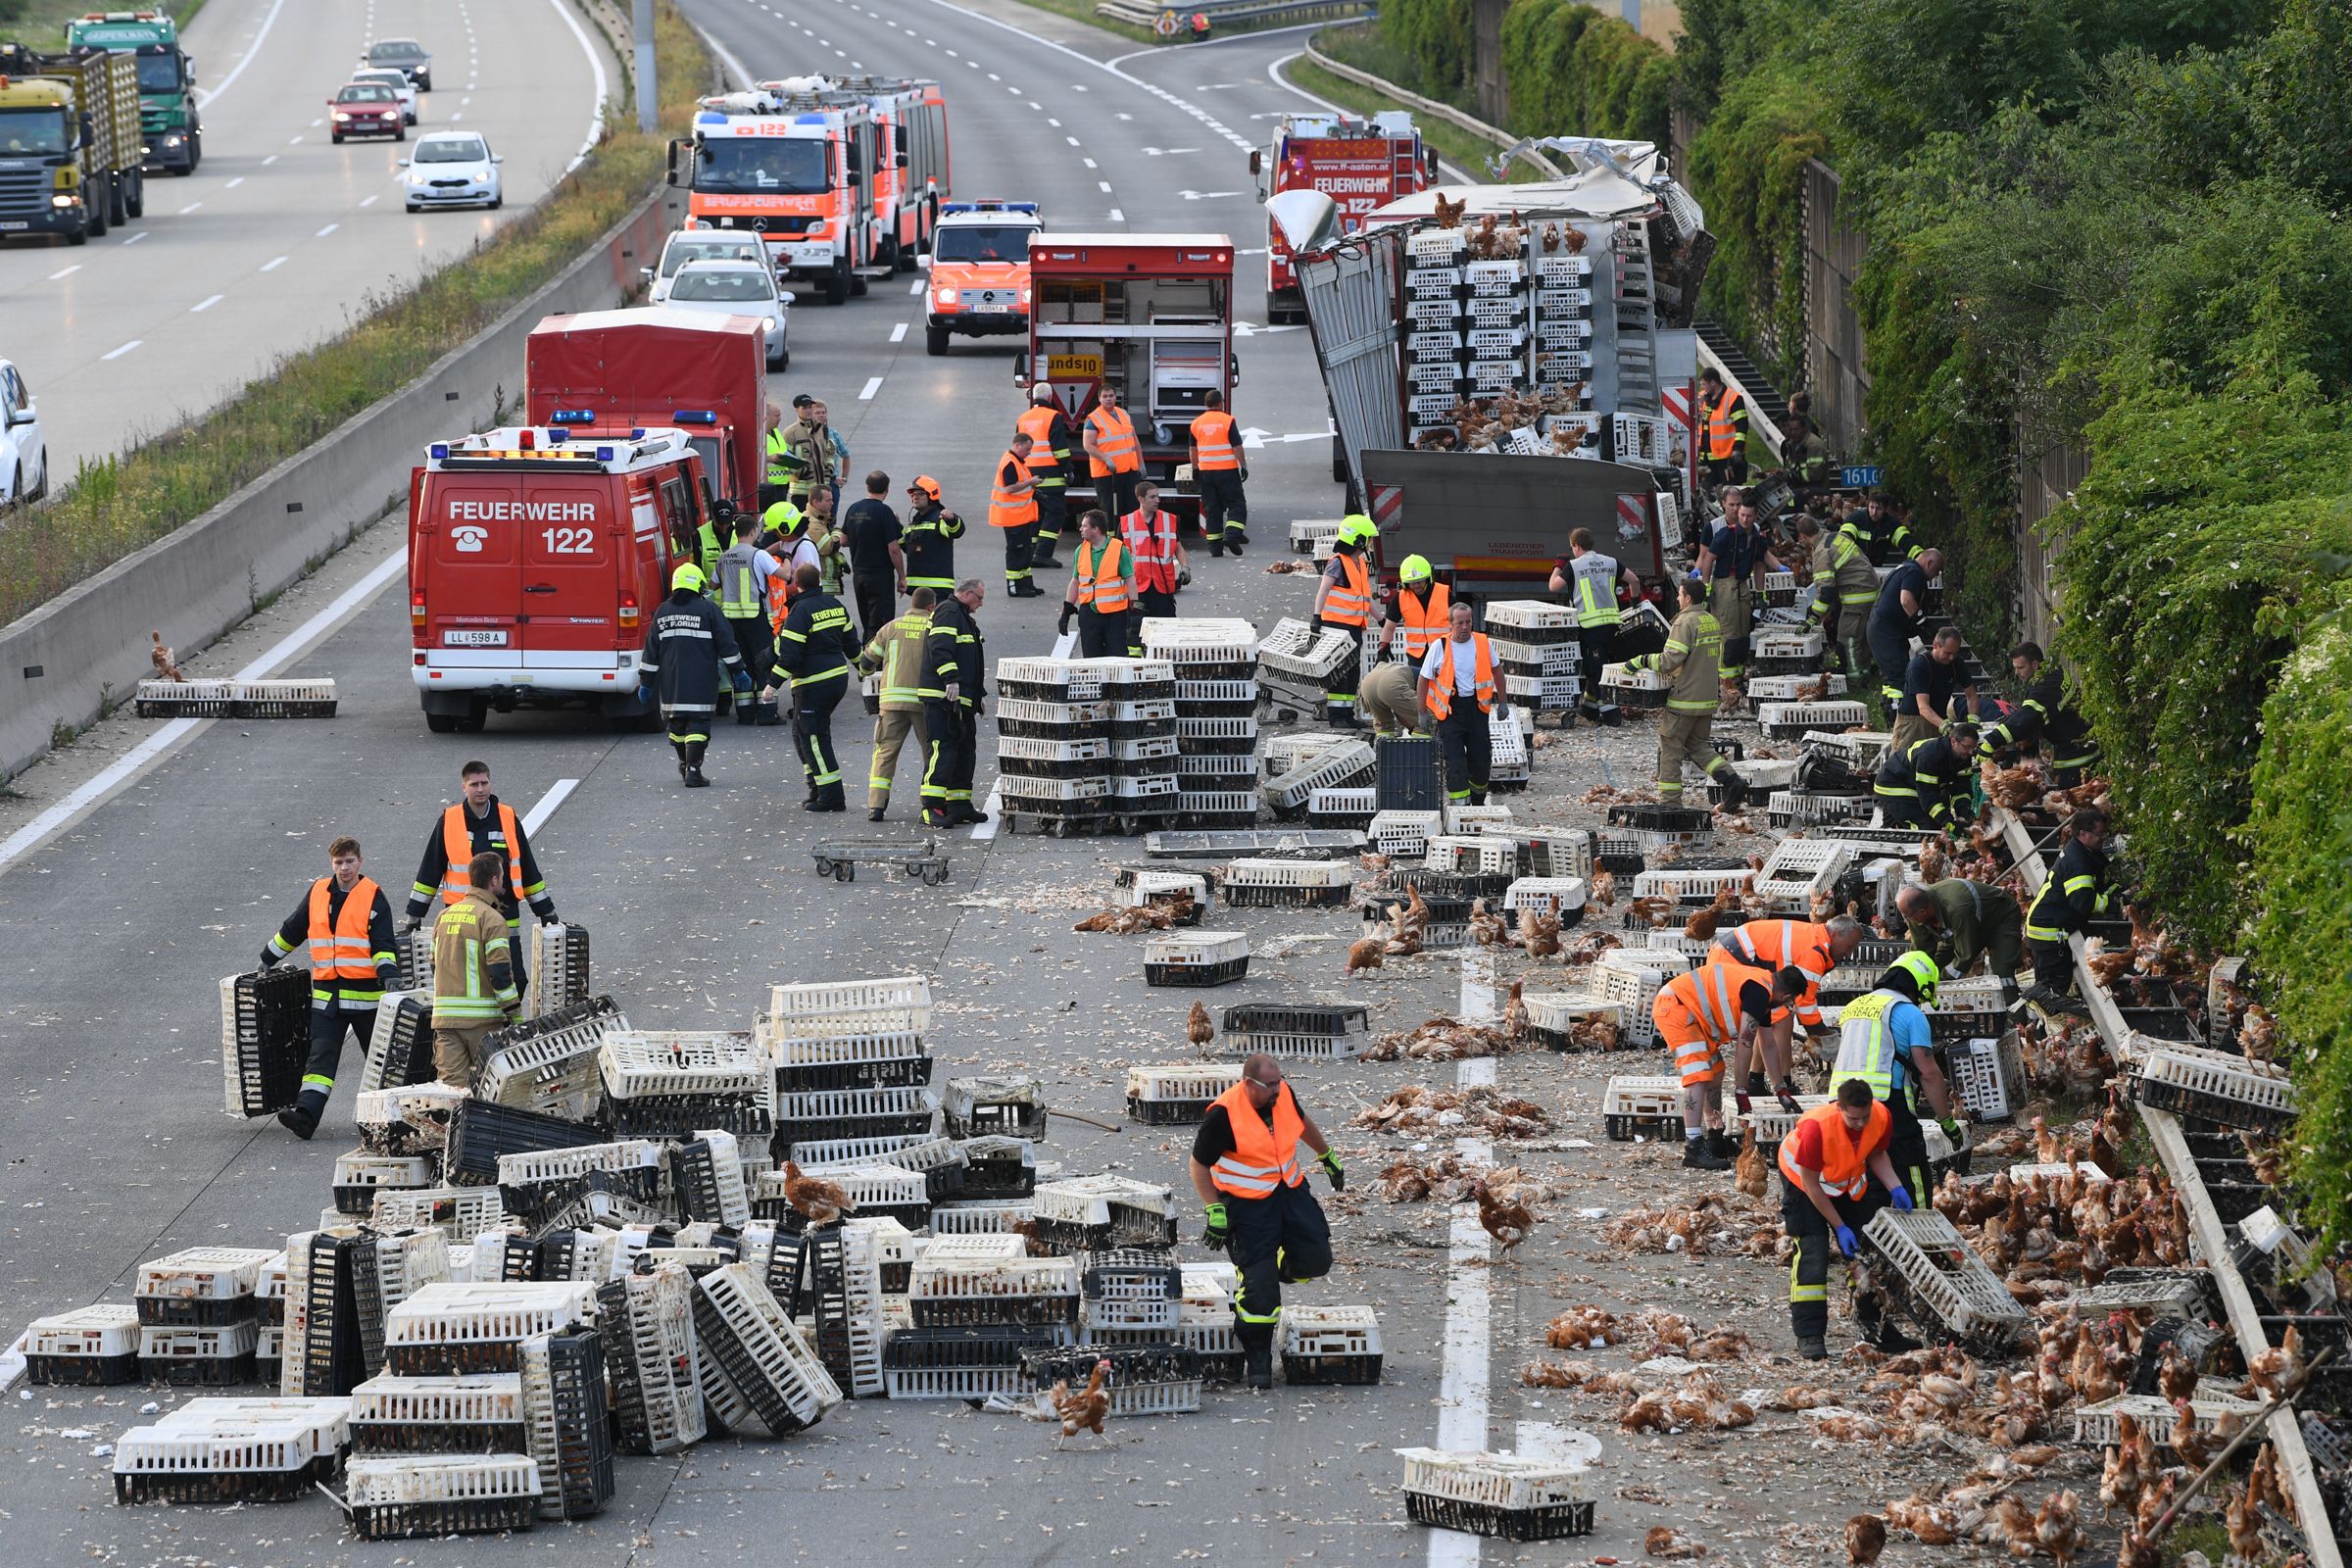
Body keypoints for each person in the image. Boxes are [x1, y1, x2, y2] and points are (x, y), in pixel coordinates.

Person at [1190, 1054, 1343, 1391]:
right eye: (1270, 1084)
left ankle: (1276, 1269)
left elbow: (1301, 1123)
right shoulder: (1223, 1115)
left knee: (1317, 1259)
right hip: (1246, 1207)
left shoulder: (1283, 1093)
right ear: (1249, 1084)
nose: (1278, 1088)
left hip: (1289, 1192)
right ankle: (1258, 1355)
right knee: (1260, 1295)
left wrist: (1325, 1155)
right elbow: (1198, 1166)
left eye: (1279, 1081)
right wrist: (1214, 1210)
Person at [261, 835, 400, 1140]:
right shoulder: (318, 892)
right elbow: (294, 929)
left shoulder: (373, 896)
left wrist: (389, 974)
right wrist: (267, 958)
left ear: (360, 861)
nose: (345, 867)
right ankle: (305, 1116)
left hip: (365, 1000)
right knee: (319, 1058)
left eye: (350, 861)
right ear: (331, 863)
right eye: (339, 863)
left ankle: (398, 1119)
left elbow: (383, 944)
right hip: (328, 998)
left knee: (380, 1061)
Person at [403, 758, 558, 1002]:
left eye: (484, 783)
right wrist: (415, 913)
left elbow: (526, 866)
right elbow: (430, 870)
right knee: (470, 978)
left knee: (514, 977)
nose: (480, 789)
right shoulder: (449, 820)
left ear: (490, 784)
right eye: (474, 784)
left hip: (504, 912)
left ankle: (505, 1023)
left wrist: (545, 910)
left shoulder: (507, 817)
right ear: (464, 787)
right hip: (461, 914)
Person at [1778, 1079, 1911, 1360]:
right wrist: (1839, 1226)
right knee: (1814, 1250)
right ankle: (1810, 1334)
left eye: (1865, 1117)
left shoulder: (1881, 1116)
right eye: (1854, 1118)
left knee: (1865, 1252)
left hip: (1844, 1183)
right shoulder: (1817, 1128)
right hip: (1802, 1184)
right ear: (1839, 1108)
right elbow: (1812, 1185)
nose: (1861, 1124)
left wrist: (1895, 1187)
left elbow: (1876, 1152)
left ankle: (1876, 1328)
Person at [1829, 952, 1958, 1212]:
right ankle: (1922, 1232)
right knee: (1912, 1170)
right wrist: (1946, 1120)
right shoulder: (1909, 1013)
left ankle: (1873, 1234)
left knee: (1867, 1170)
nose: (1920, 1003)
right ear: (1920, 987)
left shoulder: (1855, 1005)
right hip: (1887, 1102)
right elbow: (1929, 1073)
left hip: (1840, 1102)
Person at [1651, 958, 1811, 1169]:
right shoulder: (1758, 992)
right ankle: (1693, 1147)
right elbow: (1745, 1043)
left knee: (1716, 1071)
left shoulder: (1763, 987)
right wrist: (1741, 1089)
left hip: (1689, 1012)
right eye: (1788, 1003)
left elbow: (1768, 1045)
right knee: (1697, 1074)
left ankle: (1714, 1138)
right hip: (1677, 1008)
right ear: (1787, 996)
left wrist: (1781, 1090)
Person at [1621, 576, 1749, 807]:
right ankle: (1732, 781)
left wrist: (1641, 661)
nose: (1678, 599)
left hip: (1684, 700)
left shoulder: (1684, 623)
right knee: (1698, 745)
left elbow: (1670, 660)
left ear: (1687, 598)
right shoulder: (1710, 620)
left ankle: (1670, 804)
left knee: (1670, 748)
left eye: (1679, 595)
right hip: (1707, 699)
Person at [1712, 915, 1864, 1102]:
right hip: (1732, 958)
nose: (1849, 954)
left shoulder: (1816, 940)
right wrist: (1826, 1036)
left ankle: (1756, 1081)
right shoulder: (1814, 951)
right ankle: (1784, 1084)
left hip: (1732, 954)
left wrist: (1822, 1035)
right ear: (1835, 934)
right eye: (1849, 946)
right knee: (1782, 1015)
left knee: (1774, 1012)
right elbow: (1806, 1006)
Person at [763, 563, 856, 813]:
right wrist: (865, 669)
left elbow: (791, 655)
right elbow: (851, 643)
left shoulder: (800, 611)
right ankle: (816, 787)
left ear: (798, 584)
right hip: (837, 679)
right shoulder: (835, 605)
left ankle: (831, 796)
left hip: (814, 684)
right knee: (801, 734)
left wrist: (772, 684)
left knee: (814, 737)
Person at [642, 562, 742, 787]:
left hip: (671, 682)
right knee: (698, 723)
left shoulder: (663, 611)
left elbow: (651, 650)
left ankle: (684, 764)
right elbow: (727, 643)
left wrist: (646, 683)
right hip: (701, 680)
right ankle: (694, 769)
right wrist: (739, 672)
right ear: (698, 585)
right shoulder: (708, 610)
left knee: (677, 727)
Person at [429, 851, 520, 1092]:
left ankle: (451, 1129)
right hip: (482, 1022)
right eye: (502, 877)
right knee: (488, 1090)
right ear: (493, 880)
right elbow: (500, 975)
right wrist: (515, 1014)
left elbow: (433, 965)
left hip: (445, 1020)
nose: (503, 881)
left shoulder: (443, 916)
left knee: (451, 1092)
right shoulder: (491, 919)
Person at [2019, 807, 2117, 1017]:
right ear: (2083, 834)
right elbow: (2083, 901)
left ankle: (2038, 1015)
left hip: (2048, 925)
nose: (2104, 839)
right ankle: (2039, 1014)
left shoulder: (2082, 853)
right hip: (2050, 933)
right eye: (2100, 834)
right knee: (2055, 990)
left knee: (2051, 988)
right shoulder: (2077, 862)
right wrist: (2114, 904)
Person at [1418, 601, 1504, 807]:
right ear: (1450, 623)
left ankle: (1477, 801)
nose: (1465, 627)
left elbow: (1497, 671)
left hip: (1477, 711)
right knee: (1455, 762)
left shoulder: (1482, 642)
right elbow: (1423, 679)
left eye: (1468, 622)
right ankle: (1459, 808)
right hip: (1450, 714)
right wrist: (1421, 711)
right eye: (1460, 623)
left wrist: (1503, 702)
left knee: (1481, 760)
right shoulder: (1440, 646)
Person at [858, 588, 934, 821]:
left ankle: (876, 806)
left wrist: (866, 673)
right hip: (924, 703)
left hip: (891, 702)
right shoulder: (933, 628)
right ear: (931, 607)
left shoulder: (891, 627)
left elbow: (867, 661)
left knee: (884, 753)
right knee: (931, 754)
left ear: (912, 604)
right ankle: (930, 806)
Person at [1549, 527, 1640, 722]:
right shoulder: (1610, 562)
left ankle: (1611, 715)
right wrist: (1635, 602)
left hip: (1589, 626)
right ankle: (1590, 709)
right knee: (1598, 664)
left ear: (1576, 546)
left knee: (1595, 669)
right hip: (1611, 624)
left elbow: (1553, 586)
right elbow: (1634, 580)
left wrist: (1558, 565)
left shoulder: (1574, 565)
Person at [1980, 642, 2096, 786]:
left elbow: (2027, 718)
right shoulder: (2055, 672)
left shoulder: (2045, 687)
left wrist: (1992, 741)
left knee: (2071, 796)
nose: (2016, 672)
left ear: (2035, 665)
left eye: (2020, 667)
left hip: (2077, 750)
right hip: (2074, 741)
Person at [920, 579, 987, 829]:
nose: (981, 604)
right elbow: (940, 648)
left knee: (964, 750)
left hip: (961, 700)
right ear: (967, 593)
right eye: (979, 598)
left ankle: (959, 805)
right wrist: (950, 680)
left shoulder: (961, 616)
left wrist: (977, 696)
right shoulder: (948, 612)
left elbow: (970, 658)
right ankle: (932, 807)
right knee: (942, 749)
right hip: (943, 698)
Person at [1694, 488, 1778, 685]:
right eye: (1742, 515)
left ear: (1755, 516)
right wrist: (1706, 587)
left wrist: (1760, 593)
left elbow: (1759, 565)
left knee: (1742, 632)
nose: (1745, 520)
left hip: (1742, 585)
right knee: (1728, 633)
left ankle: (1737, 676)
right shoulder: (1725, 534)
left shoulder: (1757, 537)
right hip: (1724, 586)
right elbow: (1707, 559)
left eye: (1749, 516)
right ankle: (1724, 681)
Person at [715, 511, 784, 725]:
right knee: (764, 663)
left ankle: (745, 714)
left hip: (731, 621)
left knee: (742, 665)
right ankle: (766, 712)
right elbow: (784, 575)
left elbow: (713, 584)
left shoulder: (724, 556)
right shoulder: (758, 554)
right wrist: (787, 560)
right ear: (754, 531)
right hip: (755, 617)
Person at [1897, 878, 2024, 987]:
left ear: (1922, 912)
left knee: (2003, 973)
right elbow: (1921, 952)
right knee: (1936, 963)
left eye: (1908, 918)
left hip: (2000, 919)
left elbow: (1965, 956)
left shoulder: (1956, 908)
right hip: (1968, 924)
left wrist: (1939, 981)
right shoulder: (1915, 912)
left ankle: (2014, 1011)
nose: (1907, 921)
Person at [1867, 546, 1943, 719]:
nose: (1935, 575)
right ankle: (1898, 718)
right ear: (1929, 563)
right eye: (1937, 570)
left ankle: (1889, 713)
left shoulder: (1904, 568)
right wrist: (1921, 621)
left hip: (1881, 629)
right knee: (1900, 676)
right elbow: (1906, 600)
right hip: (1887, 632)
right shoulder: (1915, 573)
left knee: (1892, 676)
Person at [1803, 514, 1881, 680]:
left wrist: (1812, 618)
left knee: (1848, 640)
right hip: (1870, 590)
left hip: (1857, 595)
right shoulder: (1836, 536)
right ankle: (1865, 674)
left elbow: (1826, 591)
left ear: (1802, 537)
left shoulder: (1821, 553)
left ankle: (1854, 681)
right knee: (1861, 638)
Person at [1311, 531, 1374, 727]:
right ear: (1359, 541)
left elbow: (1364, 598)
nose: (1370, 544)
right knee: (1339, 672)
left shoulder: (1360, 563)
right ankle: (1336, 716)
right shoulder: (1338, 562)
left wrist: (1381, 618)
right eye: (1368, 539)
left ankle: (1347, 714)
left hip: (1354, 626)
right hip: (1337, 627)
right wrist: (1316, 616)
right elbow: (1324, 589)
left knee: (1352, 671)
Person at [1873, 720, 1980, 834]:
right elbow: (1928, 797)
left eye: (1973, 748)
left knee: (1893, 828)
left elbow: (1961, 788)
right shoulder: (1931, 756)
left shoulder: (1963, 756)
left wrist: (1964, 811)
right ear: (1953, 741)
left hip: (1913, 785)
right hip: (1893, 785)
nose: (1970, 752)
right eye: (1967, 747)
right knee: (1927, 828)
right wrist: (1948, 822)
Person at [1057, 510, 1136, 659]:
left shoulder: (1119, 549)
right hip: (1089, 614)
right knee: (1091, 660)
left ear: (1095, 529)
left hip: (1115, 615)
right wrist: (1066, 612)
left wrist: (1135, 607)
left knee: (1117, 659)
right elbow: (1075, 581)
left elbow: (1130, 579)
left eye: (1084, 526)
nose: (1080, 529)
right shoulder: (1081, 550)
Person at [840, 470, 906, 646]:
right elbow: (893, 549)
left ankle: (866, 663)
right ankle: (873, 666)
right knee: (880, 625)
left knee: (867, 620)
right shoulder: (884, 512)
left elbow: (844, 540)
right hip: (880, 577)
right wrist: (902, 576)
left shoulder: (853, 509)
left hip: (859, 575)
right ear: (887, 489)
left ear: (867, 486)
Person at [1120, 481, 1187, 653]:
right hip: (1138, 587)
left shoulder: (1168, 520)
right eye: (1152, 497)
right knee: (1135, 625)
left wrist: (1185, 567)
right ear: (1140, 499)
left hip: (1161, 586)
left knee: (1166, 625)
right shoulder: (1127, 522)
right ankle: (1135, 665)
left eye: (1158, 496)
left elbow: (1178, 546)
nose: (1157, 500)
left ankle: (1165, 661)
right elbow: (1118, 553)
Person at [1015, 384, 1077, 568]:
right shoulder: (1053, 416)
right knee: (1056, 512)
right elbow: (1059, 448)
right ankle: (1043, 553)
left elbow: (1018, 446)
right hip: (1050, 473)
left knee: (1037, 513)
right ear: (1050, 398)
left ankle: (1032, 551)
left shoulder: (1023, 418)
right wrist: (1068, 469)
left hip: (1029, 474)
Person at [1891, 626, 1976, 756]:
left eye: (1955, 653)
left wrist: (1973, 721)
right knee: (1903, 763)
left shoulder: (1956, 663)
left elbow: (1971, 695)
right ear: (1935, 645)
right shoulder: (1919, 666)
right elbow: (1923, 707)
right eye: (1947, 653)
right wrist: (1945, 726)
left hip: (1938, 720)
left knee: (1936, 762)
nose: (1951, 657)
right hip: (1913, 723)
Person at [1189, 388, 1248, 556]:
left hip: (1206, 472)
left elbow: (1193, 449)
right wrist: (1243, 466)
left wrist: (1195, 468)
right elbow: (1237, 446)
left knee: (1212, 509)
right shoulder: (1227, 421)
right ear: (1221, 403)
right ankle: (1232, 535)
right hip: (1227, 471)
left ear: (1205, 404)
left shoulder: (1196, 423)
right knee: (1236, 504)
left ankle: (1215, 548)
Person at [990, 431, 1043, 597]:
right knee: (1016, 552)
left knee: (1026, 551)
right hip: (1012, 517)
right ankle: (1015, 587)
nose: (1029, 452)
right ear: (1017, 445)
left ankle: (1026, 584)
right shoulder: (1010, 462)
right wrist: (1030, 482)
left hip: (1021, 516)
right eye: (1027, 449)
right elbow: (1009, 488)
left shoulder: (1017, 461)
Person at [1082, 384, 1143, 520]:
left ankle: (1126, 539)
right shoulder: (1093, 418)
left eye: (1111, 396)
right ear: (1099, 399)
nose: (1108, 399)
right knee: (1111, 511)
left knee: (1131, 509)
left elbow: (1134, 440)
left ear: (1116, 397)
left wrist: (1141, 463)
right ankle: (1112, 540)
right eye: (1105, 396)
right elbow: (1088, 445)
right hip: (1107, 473)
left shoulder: (1124, 414)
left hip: (1129, 470)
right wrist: (1106, 459)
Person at [900, 474, 964, 600]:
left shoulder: (940, 518)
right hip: (917, 590)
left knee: (937, 620)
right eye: (912, 495)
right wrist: (896, 526)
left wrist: (952, 519)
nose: (915, 497)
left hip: (937, 590)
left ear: (931, 495)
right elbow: (907, 547)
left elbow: (957, 531)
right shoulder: (915, 522)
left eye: (919, 493)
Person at [1384, 554, 1450, 666]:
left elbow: (1458, 621)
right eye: (1412, 582)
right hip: (1416, 656)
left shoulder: (1443, 593)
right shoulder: (1401, 597)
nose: (1416, 585)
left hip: (1443, 653)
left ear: (1428, 579)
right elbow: (1389, 627)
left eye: (1419, 581)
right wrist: (1383, 646)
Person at [779, 395, 837, 510]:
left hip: (822, 490)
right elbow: (785, 459)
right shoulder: (790, 433)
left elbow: (831, 450)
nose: (808, 410)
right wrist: (802, 472)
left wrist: (830, 467)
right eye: (804, 408)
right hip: (802, 493)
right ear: (796, 410)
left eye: (810, 407)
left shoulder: (821, 429)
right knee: (804, 525)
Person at [1698, 367, 1747, 487]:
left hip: (1726, 458)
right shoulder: (1702, 398)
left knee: (1729, 491)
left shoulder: (1733, 399)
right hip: (1706, 457)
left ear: (1713, 383)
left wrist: (1738, 448)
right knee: (1708, 494)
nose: (1702, 388)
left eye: (1704, 384)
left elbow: (1742, 425)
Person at [1358, 660, 1425, 737]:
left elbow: (1401, 712)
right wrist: (1414, 728)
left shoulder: (1405, 672)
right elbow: (1404, 713)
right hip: (1391, 683)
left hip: (1368, 683)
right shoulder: (1427, 679)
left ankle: (1385, 747)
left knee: (1384, 726)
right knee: (1425, 721)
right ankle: (1421, 748)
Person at [804, 484, 847, 599]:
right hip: (821, 583)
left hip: (824, 582)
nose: (832, 503)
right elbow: (828, 547)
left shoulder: (821, 518)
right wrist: (837, 532)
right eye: (828, 500)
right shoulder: (812, 524)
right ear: (815, 502)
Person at [759, 400, 794, 512]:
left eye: (780, 415)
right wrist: (770, 458)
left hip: (783, 483)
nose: (780, 419)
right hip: (769, 485)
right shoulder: (759, 435)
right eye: (776, 416)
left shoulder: (776, 432)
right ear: (766, 416)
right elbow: (753, 457)